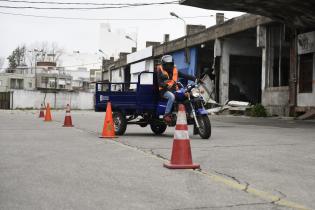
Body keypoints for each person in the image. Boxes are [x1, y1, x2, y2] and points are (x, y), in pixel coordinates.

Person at [157, 55, 196, 123]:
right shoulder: (160, 70)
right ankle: (166, 114)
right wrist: (165, 85)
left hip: (174, 90)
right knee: (172, 97)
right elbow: (159, 82)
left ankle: (188, 113)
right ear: (163, 64)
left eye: (170, 64)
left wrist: (194, 78)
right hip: (164, 90)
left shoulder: (175, 70)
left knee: (186, 95)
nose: (169, 66)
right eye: (167, 65)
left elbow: (184, 75)